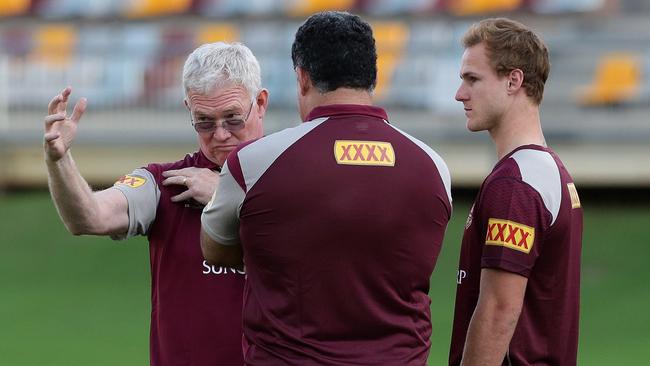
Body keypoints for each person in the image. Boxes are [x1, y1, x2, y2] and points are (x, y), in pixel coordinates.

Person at [201, 11, 452, 365]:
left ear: (302, 78)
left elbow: (217, 250)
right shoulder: (433, 167)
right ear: (373, 78)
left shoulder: (253, 163)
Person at [43, 42, 268, 366]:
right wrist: (58, 161)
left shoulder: (292, 177)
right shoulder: (163, 183)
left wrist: (224, 195)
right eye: (203, 121)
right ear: (187, 109)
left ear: (260, 103)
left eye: (232, 119)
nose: (219, 134)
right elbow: (89, 217)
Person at [449, 18, 583, 366]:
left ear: (514, 80)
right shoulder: (549, 170)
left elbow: (498, 310)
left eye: (472, 79)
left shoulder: (516, 184)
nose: (460, 93)